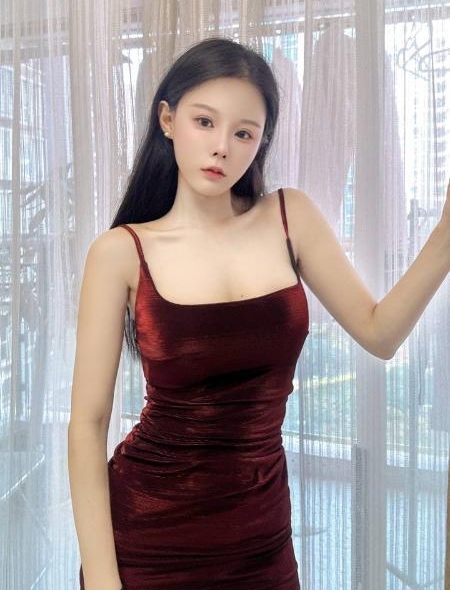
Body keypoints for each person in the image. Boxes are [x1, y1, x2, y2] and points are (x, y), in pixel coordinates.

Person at [68, 36, 450, 590]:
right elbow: (87, 424)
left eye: (243, 133)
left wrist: (444, 237)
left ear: (261, 142)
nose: (222, 147)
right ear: (168, 120)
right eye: (205, 122)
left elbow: (380, 333)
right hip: (147, 534)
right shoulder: (120, 252)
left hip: (261, 536)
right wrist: (104, 581)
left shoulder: (290, 217)